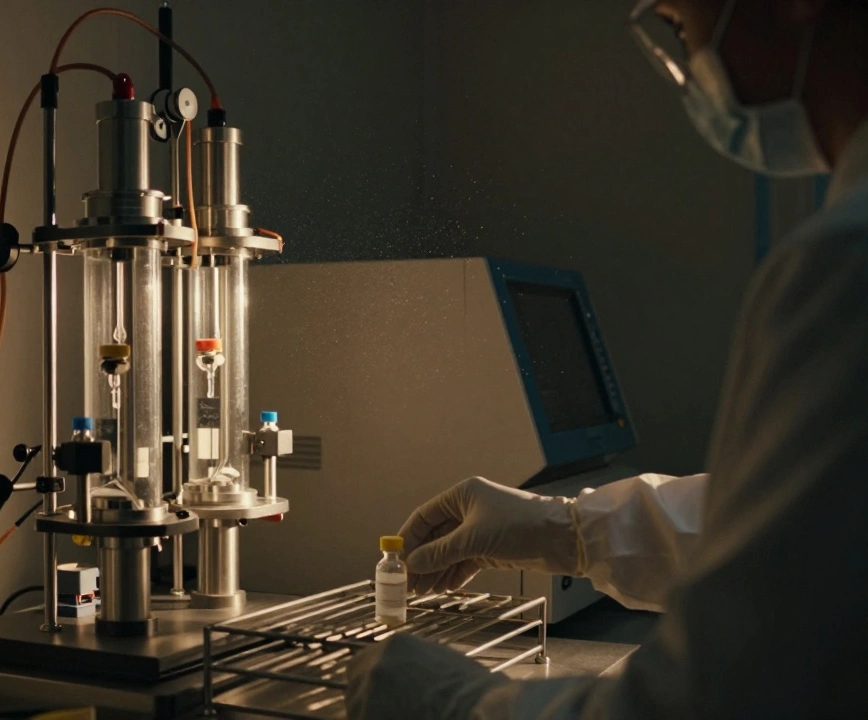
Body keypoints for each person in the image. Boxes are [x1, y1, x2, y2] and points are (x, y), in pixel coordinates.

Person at [345, 0, 868, 717]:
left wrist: (455, 705)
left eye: (686, 26)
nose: (688, 64)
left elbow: (721, 698)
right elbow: (804, 543)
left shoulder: (847, 264)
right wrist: (564, 529)